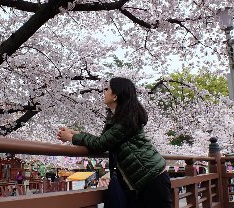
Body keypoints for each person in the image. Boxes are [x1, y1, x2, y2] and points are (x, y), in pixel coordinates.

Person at [57, 77, 172, 208]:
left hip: (151, 179)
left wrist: (71, 138)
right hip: (147, 178)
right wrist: (76, 134)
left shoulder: (125, 119)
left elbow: (100, 144)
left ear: (115, 96)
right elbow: (106, 139)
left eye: (107, 89)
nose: (104, 92)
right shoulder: (121, 116)